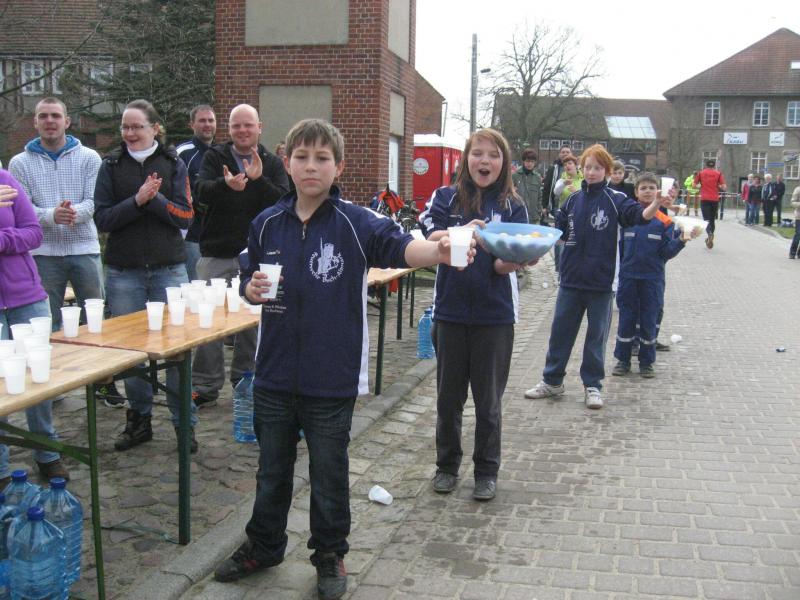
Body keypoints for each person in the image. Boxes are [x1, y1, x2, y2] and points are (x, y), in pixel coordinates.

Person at [213, 118, 474, 599]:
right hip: (273, 374)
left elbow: (402, 248)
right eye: (302, 157)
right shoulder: (267, 222)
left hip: (331, 377)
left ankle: (329, 554)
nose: (311, 167)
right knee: (271, 470)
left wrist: (439, 250)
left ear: (339, 167)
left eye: (322, 158)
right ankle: (264, 546)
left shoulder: (356, 223)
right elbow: (248, 278)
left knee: (329, 472)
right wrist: (249, 289)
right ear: (286, 162)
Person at [421, 128, 531, 502]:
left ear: (505, 163)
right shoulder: (445, 197)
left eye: (494, 155)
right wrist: (460, 232)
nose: (485, 161)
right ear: (466, 158)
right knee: (448, 400)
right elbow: (427, 237)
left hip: (495, 317)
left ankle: (486, 471)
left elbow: (502, 263)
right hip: (450, 314)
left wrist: (518, 260)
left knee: (488, 403)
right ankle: (446, 466)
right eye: (478, 153)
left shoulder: (513, 206)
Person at [524, 144, 670, 409]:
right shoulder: (572, 200)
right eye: (588, 167)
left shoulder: (616, 199)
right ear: (582, 169)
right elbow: (557, 233)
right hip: (570, 280)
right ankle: (552, 381)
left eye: (598, 168)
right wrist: (532, 248)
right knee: (560, 333)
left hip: (601, 283)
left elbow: (639, 216)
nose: (592, 172)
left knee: (596, 338)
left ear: (607, 171)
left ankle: (592, 385)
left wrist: (656, 204)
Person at [93, 99, 198, 452]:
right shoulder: (111, 165)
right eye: (125, 126)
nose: (130, 132)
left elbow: (186, 216)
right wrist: (137, 201)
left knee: (178, 350)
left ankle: (185, 424)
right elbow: (103, 219)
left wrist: (154, 201)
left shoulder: (173, 163)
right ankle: (139, 420)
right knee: (132, 351)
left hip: (169, 268)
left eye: (137, 126)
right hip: (125, 272)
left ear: (155, 128)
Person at [8, 98, 124, 408]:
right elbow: (22, 208)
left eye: (55, 116)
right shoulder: (19, 163)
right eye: (43, 116)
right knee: (47, 322)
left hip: (84, 248)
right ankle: (52, 382)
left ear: (67, 121)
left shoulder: (89, 157)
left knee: (94, 320)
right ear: (35, 122)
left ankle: (103, 382)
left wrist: (72, 214)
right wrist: (50, 216)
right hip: (43, 253)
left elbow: (96, 200)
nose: (50, 121)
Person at [190, 104, 289, 409]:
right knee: (209, 320)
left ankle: (247, 380)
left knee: (253, 322)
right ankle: (205, 385)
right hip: (217, 251)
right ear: (229, 129)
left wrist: (257, 180)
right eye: (236, 126)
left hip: (260, 254)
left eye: (248, 125)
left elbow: (283, 201)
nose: (242, 130)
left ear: (259, 127)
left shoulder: (272, 163)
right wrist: (226, 184)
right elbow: (199, 191)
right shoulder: (214, 157)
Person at [0, 170, 69, 484]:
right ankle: (1, 467)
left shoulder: (5, 180)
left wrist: (3, 240)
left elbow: (33, 233)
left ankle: (47, 451)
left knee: (38, 377)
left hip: (26, 295)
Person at [611, 173, 695, 378]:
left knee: (649, 319)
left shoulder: (664, 222)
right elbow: (618, 249)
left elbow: (667, 252)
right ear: (636, 192)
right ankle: (623, 360)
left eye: (651, 188)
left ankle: (647, 362)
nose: (648, 191)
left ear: (658, 192)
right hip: (628, 278)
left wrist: (682, 240)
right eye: (643, 188)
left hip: (652, 279)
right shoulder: (627, 218)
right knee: (626, 319)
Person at [176, 104, 217, 282]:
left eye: (211, 120)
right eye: (202, 121)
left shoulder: (220, 153)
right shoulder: (182, 153)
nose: (207, 124)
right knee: (196, 285)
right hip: (192, 235)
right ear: (191, 125)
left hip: (217, 235)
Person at [694, 160, 726, 249]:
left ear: (706, 165)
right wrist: (718, 186)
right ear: (714, 165)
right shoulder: (718, 174)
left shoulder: (701, 173)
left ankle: (709, 234)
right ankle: (709, 237)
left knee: (706, 220)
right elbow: (724, 187)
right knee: (712, 220)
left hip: (705, 199)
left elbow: (694, 185)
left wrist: (700, 186)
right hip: (715, 199)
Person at [512, 147, 544, 223]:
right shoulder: (515, 176)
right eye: (527, 161)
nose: (529, 164)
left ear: (535, 162)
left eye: (532, 161)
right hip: (518, 217)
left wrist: (539, 211)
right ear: (523, 161)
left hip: (534, 218)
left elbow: (540, 197)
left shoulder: (537, 177)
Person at [542, 144, 571, 217]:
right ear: (559, 154)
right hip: (556, 205)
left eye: (567, 152)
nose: (565, 154)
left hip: (572, 205)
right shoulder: (553, 169)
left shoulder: (577, 169)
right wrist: (544, 206)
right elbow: (546, 188)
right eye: (563, 152)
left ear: (571, 154)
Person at [789, 184, 800, 259]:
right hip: (799, 216)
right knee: (798, 234)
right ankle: (792, 253)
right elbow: (792, 202)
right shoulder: (798, 189)